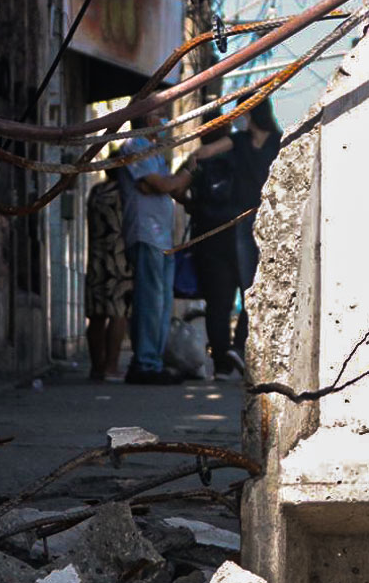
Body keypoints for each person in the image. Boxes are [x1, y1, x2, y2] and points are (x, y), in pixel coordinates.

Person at [180, 99, 281, 376]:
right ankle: (233, 352)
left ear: (250, 113)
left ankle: (228, 359)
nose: (235, 117)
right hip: (251, 226)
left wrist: (190, 173)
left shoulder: (252, 142)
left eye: (240, 112)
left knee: (228, 298)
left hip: (240, 227)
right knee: (247, 293)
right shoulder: (275, 143)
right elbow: (202, 153)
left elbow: (201, 154)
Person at [118, 110, 192, 385]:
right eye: (160, 115)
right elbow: (163, 185)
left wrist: (174, 182)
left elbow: (167, 188)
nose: (164, 122)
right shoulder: (135, 146)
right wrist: (184, 174)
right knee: (150, 302)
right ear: (148, 119)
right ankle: (145, 363)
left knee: (161, 303)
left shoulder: (154, 152)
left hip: (161, 238)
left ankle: (153, 361)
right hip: (146, 234)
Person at [84, 174, 131, 381]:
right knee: (118, 312)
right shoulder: (125, 193)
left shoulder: (96, 192)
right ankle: (111, 366)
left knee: (96, 313)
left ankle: (96, 367)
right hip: (119, 258)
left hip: (96, 256)